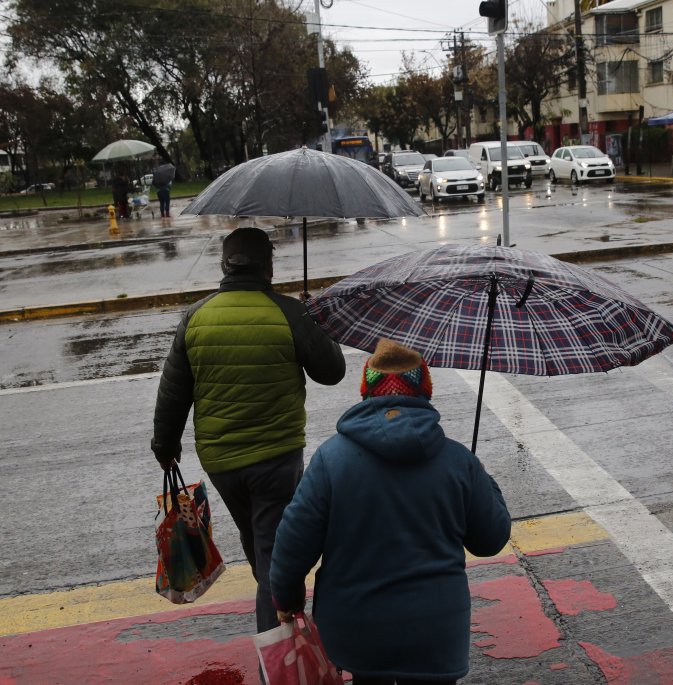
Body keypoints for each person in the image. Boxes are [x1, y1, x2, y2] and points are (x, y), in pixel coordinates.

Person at [269, 339, 512, 685]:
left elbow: (293, 541)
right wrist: (482, 477)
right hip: (435, 629)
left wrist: (287, 597)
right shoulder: (458, 461)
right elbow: (490, 539)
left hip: (356, 627)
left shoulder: (330, 460)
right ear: (424, 390)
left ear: (366, 391)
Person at [150, 226, 346, 632]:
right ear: (269, 267)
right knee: (273, 551)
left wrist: (165, 445)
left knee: (258, 540)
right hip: (277, 458)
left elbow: (173, 391)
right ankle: (276, 650)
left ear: (224, 266)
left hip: (221, 462)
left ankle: (274, 601)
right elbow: (332, 372)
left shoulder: (197, 317)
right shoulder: (288, 312)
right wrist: (315, 321)